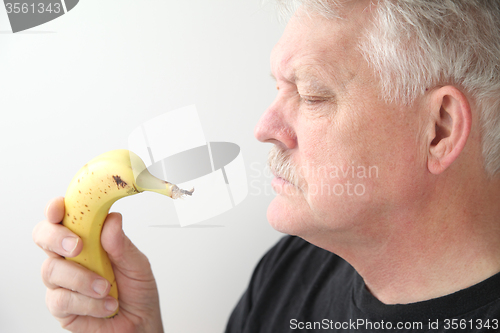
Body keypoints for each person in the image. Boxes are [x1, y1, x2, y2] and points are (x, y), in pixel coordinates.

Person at [33, 0, 500, 332]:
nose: (265, 127)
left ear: (438, 129)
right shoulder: (289, 272)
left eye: (313, 93)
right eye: (278, 88)